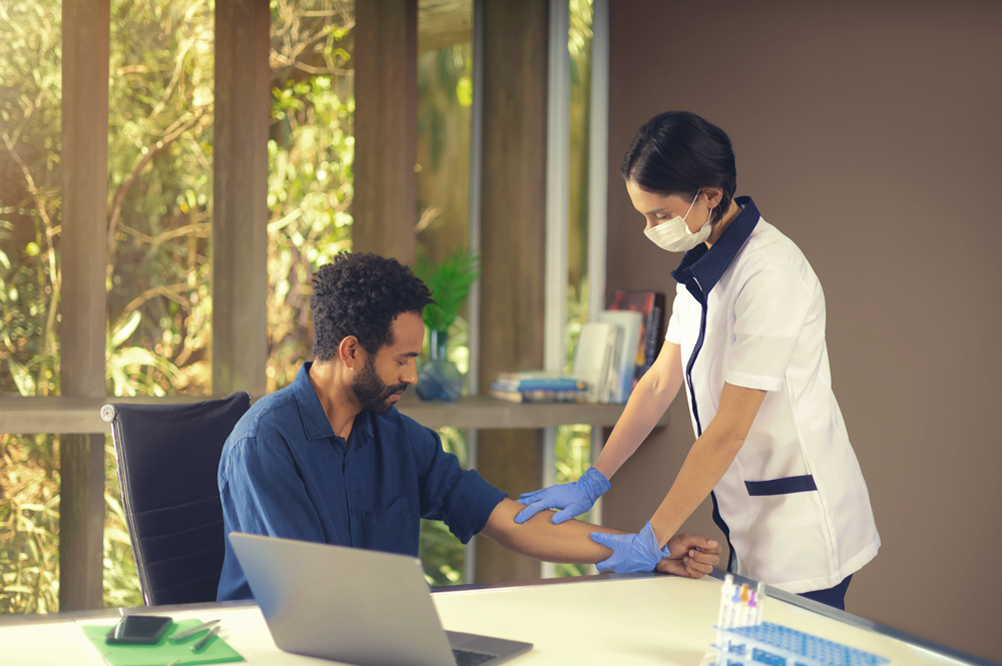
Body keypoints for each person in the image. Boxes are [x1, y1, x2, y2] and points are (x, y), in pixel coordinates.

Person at [514, 111, 880, 610]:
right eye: (645, 216)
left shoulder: (769, 273)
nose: (651, 229)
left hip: (803, 525)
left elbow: (728, 431)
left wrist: (652, 537)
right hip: (752, 513)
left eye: (661, 215)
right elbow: (658, 382)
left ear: (710, 194)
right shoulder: (703, 269)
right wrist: (593, 480)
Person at [217, 251, 721, 601]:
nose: (412, 376)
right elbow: (308, 595)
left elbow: (508, 520)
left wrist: (644, 550)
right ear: (351, 351)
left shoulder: (398, 439)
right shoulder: (264, 444)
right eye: (402, 359)